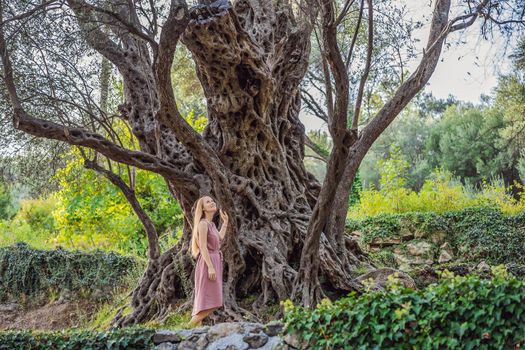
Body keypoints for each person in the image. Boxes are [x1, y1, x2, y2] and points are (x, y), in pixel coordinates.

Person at [188, 195, 229, 327]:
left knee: (211, 300)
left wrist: (225, 223)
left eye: (212, 200)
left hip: (215, 261)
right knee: (212, 300)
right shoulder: (203, 224)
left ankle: (192, 329)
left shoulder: (211, 224)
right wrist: (210, 267)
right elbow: (203, 247)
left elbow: (220, 237)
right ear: (203, 208)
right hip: (207, 263)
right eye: (208, 202)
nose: (212, 202)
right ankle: (189, 326)